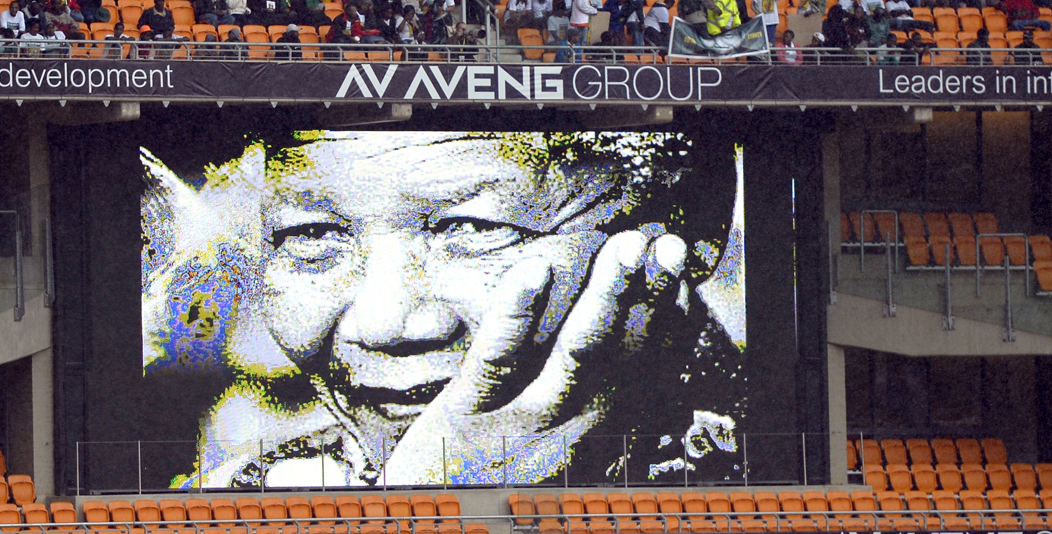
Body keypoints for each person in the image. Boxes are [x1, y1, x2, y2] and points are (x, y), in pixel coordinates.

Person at [154, 131, 745, 489]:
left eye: (474, 228)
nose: (383, 324)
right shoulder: (243, 489)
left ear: (692, 231)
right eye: (311, 236)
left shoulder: (758, 467)